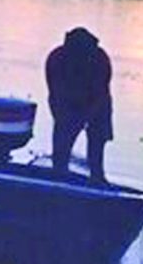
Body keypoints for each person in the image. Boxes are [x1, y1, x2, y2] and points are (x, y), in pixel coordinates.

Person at [45, 27, 113, 183]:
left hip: (98, 103)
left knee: (97, 143)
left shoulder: (100, 59)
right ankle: (59, 173)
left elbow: (101, 93)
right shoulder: (56, 58)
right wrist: (62, 119)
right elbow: (54, 93)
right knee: (61, 146)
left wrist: (87, 117)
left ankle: (98, 177)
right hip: (67, 103)